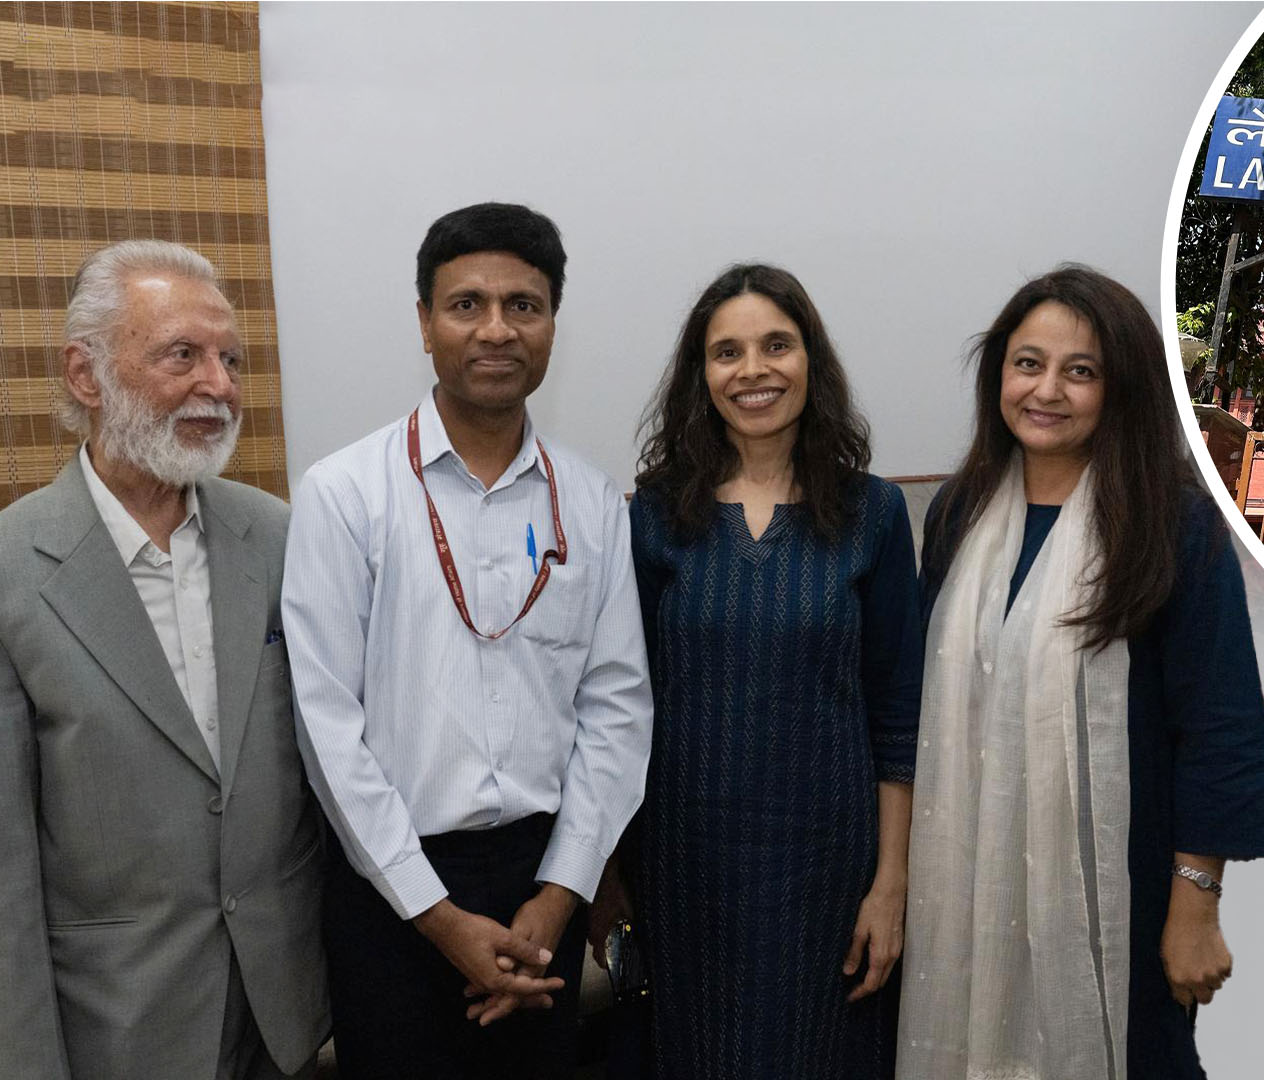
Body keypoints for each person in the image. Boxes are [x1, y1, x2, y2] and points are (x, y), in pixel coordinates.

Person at [282, 203, 654, 1079]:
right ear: (424, 323)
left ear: (553, 324)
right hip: (393, 888)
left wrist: (560, 897)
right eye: (467, 305)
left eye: (524, 305)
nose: (497, 329)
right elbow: (325, 725)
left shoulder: (592, 502)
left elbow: (617, 706)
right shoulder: (345, 494)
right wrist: (438, 917)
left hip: (543, 883)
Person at [899, 265, 1264, 1079]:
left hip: (1122, 892)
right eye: (1027, 363)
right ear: (998, 373)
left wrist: (1196, 904)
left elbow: (1219, 724)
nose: (1048, 390)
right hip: (964, 884)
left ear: (1122, 390)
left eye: (1081, 371)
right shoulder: (959, 510)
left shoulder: (1171, 522)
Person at [0, 240, 327, 1078]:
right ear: (86, 376)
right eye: (183, 354)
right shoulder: (11, 572)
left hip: (284, 1014)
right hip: (115, 1026)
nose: (218, 386)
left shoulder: (280, 535)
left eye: (230, 359)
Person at [598, 264, 922, 1078]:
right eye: (727, 352)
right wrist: (607, 872)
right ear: (701, 377)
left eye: (776, 345)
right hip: (681, 869)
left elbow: (899, 717)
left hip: (830, 874)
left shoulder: (873, 515)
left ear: (811, 360)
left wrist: (891, 885)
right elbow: (613, 708)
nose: (753, 371)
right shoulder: (651, 516)